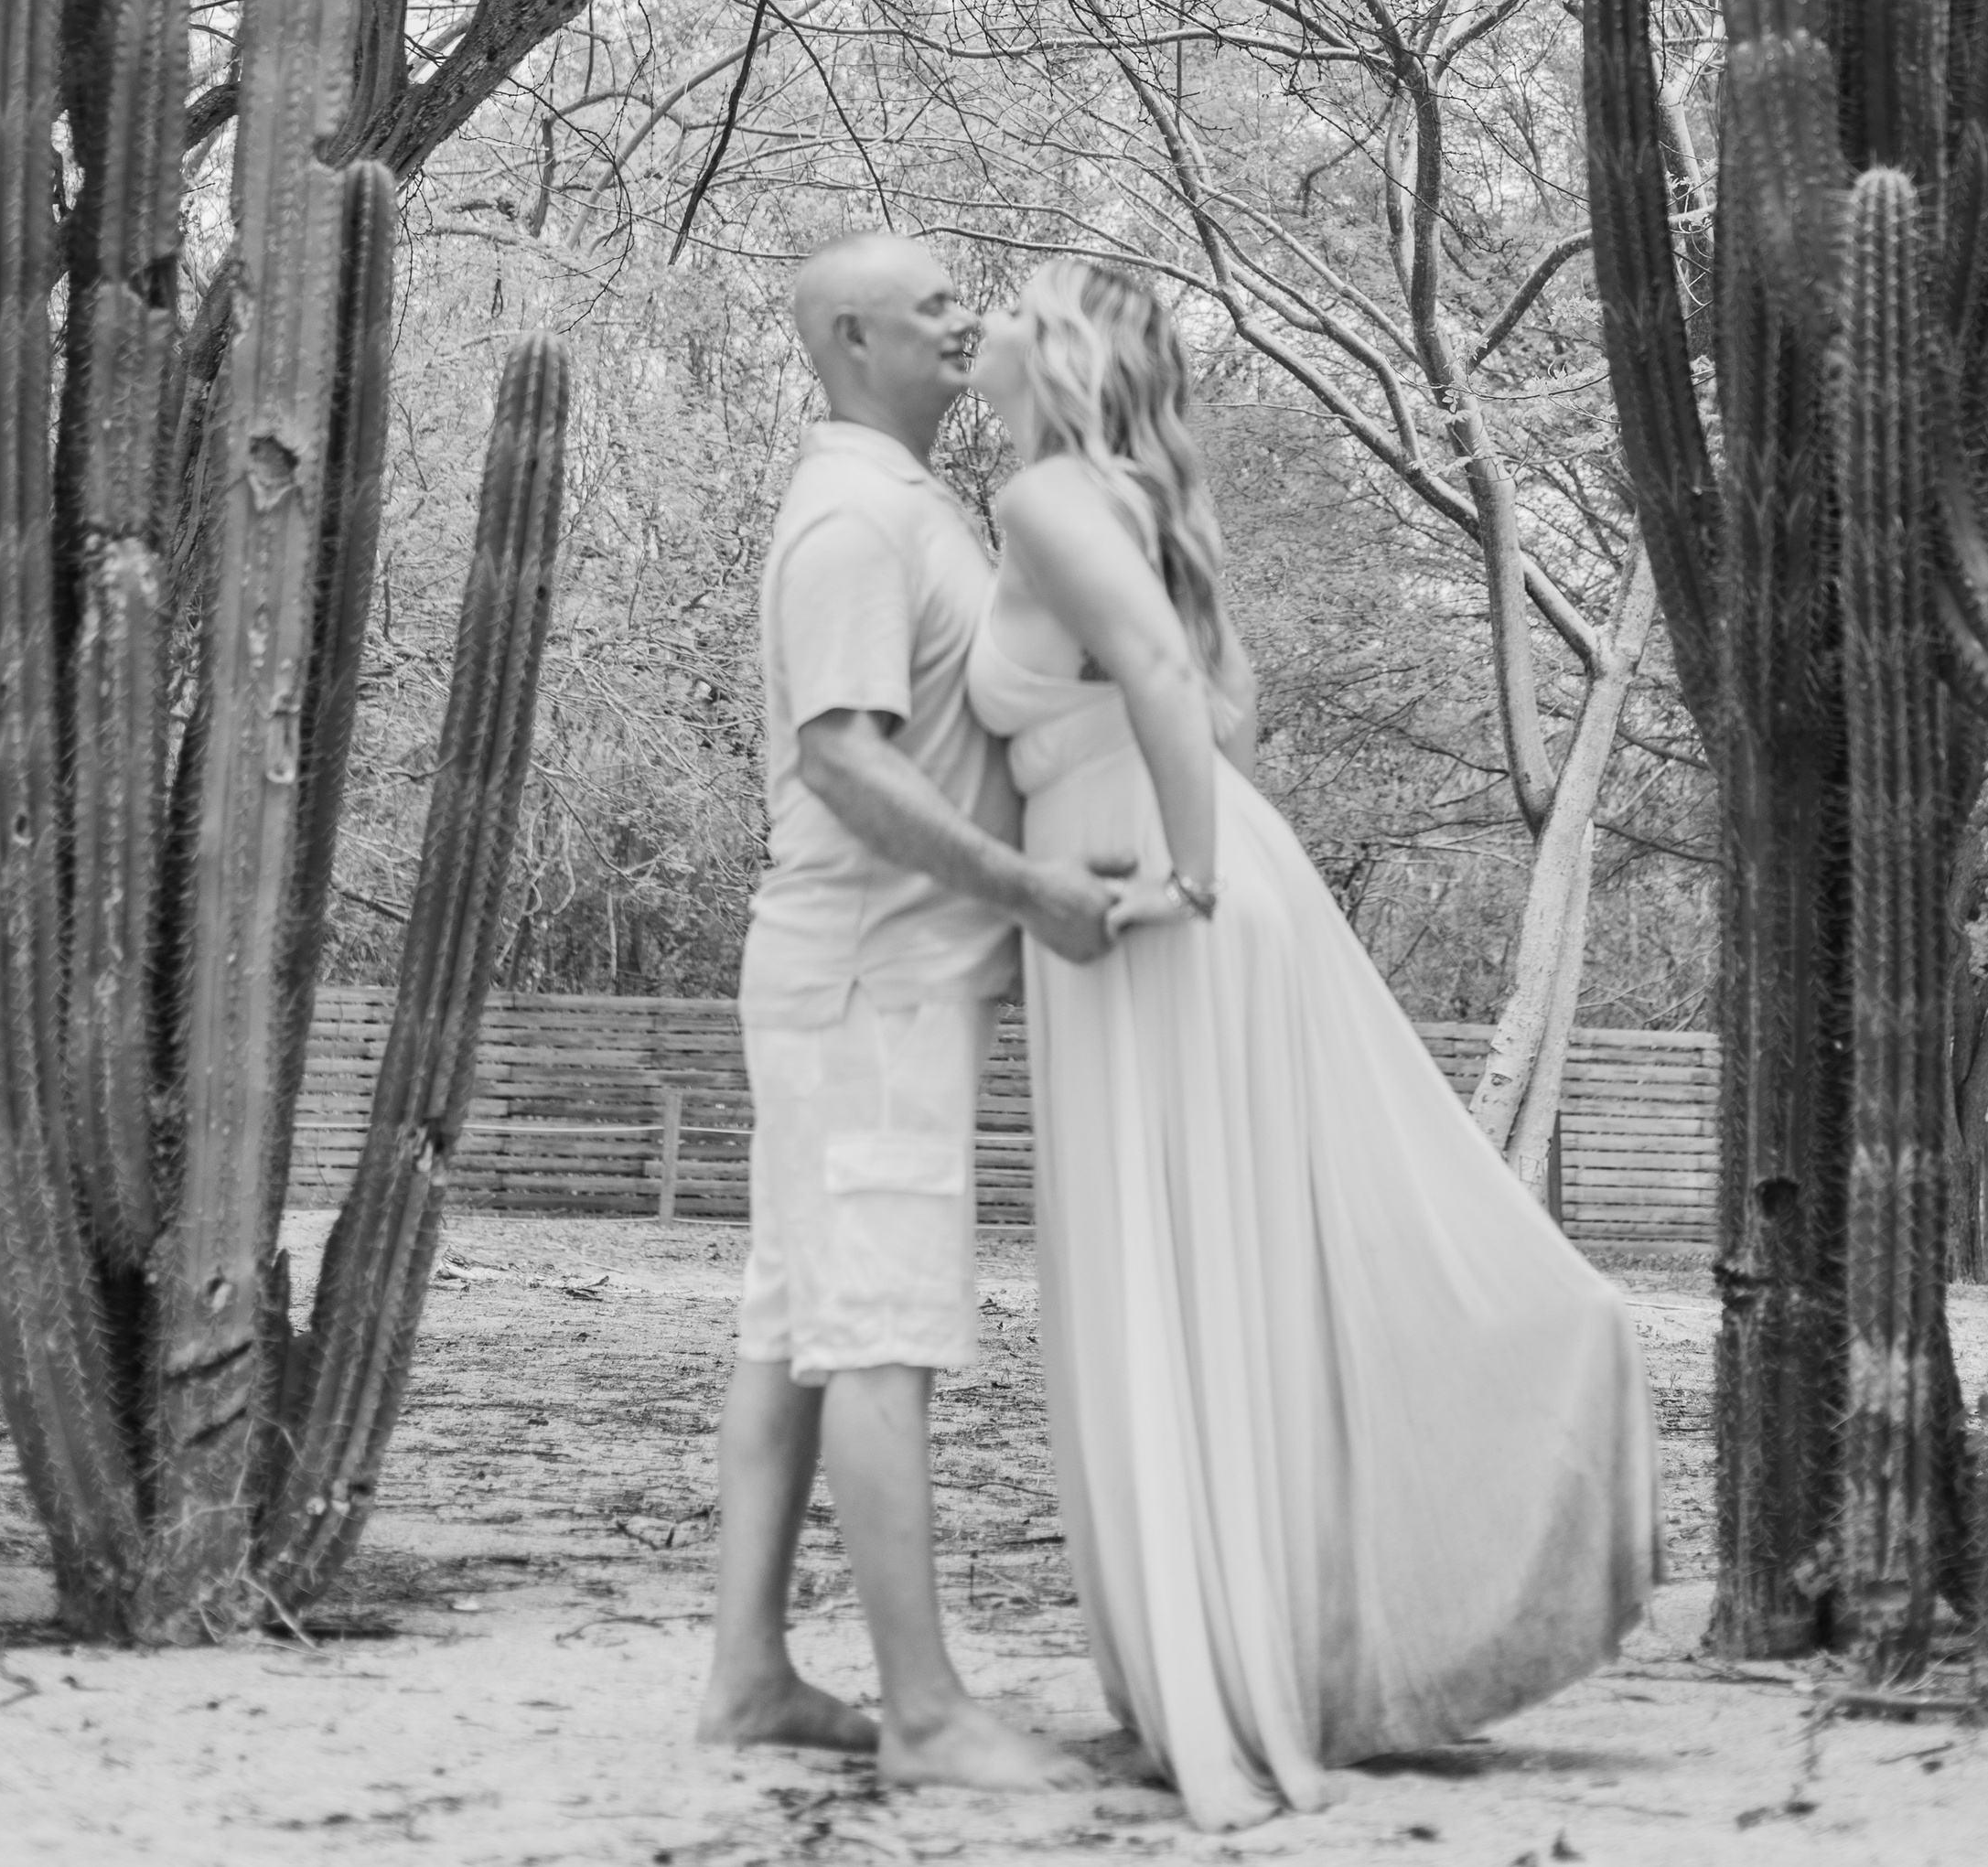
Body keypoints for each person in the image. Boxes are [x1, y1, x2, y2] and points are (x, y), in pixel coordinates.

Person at [965, 258, 1660, 1831]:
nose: (987, 319)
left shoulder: (1052, 500)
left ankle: (1230, 1670)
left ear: (1061, 354)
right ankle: (1269, 1648)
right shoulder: (1115, 502)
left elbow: (1158, 680)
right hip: (1192, 874)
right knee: (1232, 1276)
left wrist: (1188, 875)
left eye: (1012, 301)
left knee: (1178, 1272)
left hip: (1165, 891)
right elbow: (1224, 703)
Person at [695, 231, 1122, 1788]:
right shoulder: (852, 524)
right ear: (855, 339)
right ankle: (927, 1711)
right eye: (934, 304)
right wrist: (1031, 891)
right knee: (877, 1334)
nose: (965, 318)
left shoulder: (909, 506)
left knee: (794, 1324)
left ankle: (747, 1677)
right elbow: (845, 759)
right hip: (870, 987)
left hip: (863, 987)